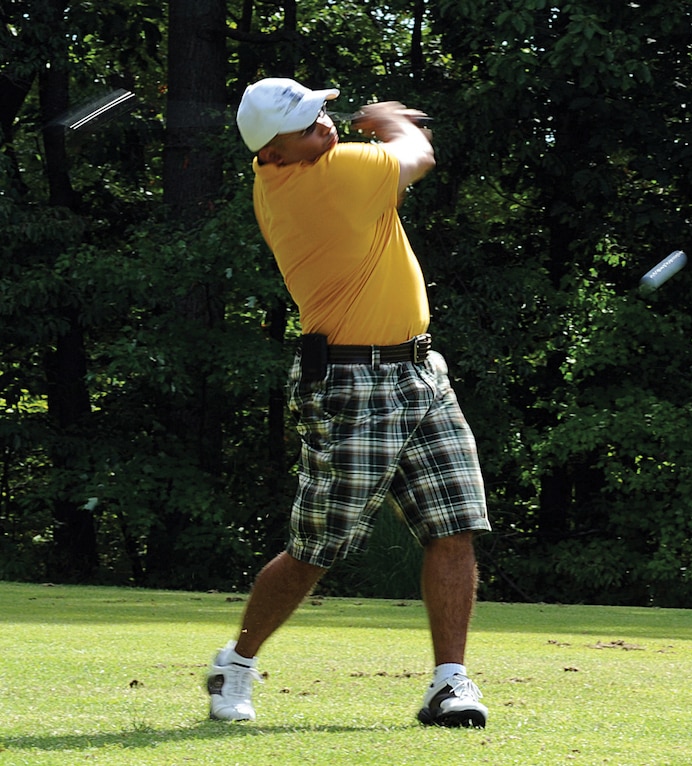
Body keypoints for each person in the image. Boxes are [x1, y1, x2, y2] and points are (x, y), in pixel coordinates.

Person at [205, 77, 492, 729]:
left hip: (421, 372)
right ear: (273, 155)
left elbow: (387, 151)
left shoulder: (294, 164)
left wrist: (373, 128)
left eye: (321, 115)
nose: (323, 128)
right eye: (306, 128)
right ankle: (237, 662)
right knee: (317, 547)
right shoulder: (328, 179)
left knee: (455, 525)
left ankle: (450, 684)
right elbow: (417, 154)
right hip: (349, 386)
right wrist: (391, 117)